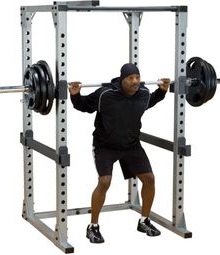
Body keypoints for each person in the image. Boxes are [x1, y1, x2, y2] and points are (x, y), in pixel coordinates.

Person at [69, 63, 170, 243]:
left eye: (137, 77)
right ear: (122, 80)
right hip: (105, 146)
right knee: (104, 181)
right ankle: (93, 226)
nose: (135, 81)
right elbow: (84, 106)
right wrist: (75, 94)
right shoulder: (105, 94)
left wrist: (162, 91)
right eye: (130, 78)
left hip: (131, 145)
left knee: (149, 178)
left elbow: (151, 100)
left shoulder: (143, 94)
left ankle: (144, 221)